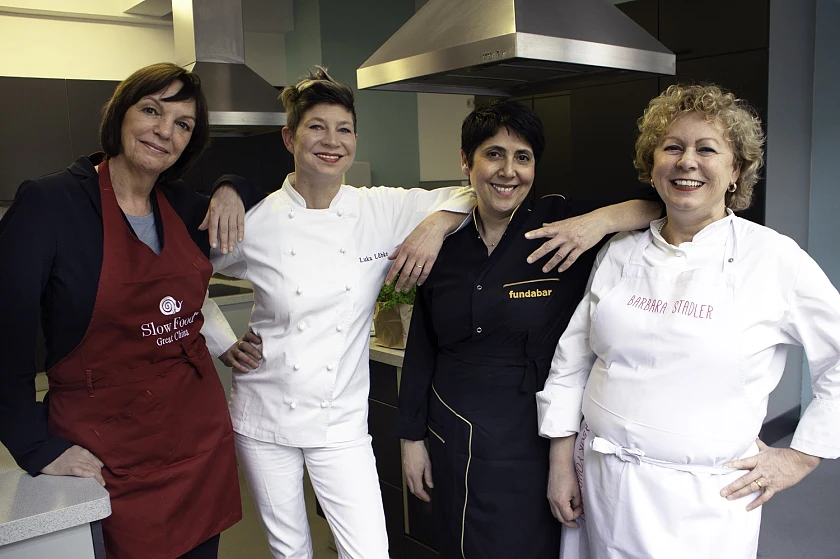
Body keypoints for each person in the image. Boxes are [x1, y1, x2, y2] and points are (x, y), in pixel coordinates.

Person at [209, 68, 594, 559]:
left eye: (344, 129)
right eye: (316, 127)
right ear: (290, 137)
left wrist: (435, 225)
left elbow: (469, 191)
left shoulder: (381, 208)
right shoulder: (257, 220)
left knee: (369, 551)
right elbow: (178, 275)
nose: (332, 141)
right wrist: (221, 340)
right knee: (290, 550)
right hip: (263, 414)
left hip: (340, 419)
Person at [537, 84, 840, 558]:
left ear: (735, 170)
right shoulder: (621, 252)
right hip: (600, 480)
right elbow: (574, 358)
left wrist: (800, 458)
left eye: (706, 149)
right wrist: (561, 459)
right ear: (652, 165)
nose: (686, 162)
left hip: (704, 504)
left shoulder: (774, 259)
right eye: (672, 147)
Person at [0, 62, 263, 559]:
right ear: (120, 113)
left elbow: (265, 196)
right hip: (106, 453)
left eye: (183, 124)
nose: (165, 131)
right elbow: (4, 335)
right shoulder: (50, 206)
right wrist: (33, 446)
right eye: (151, 110)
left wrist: (232, 185)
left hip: (196, 447)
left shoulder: (185, 206)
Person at [395, 99, 662, 559]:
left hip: (536, 430)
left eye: (523, 157)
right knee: (461, 544)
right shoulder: (443, 242)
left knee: (535, 544)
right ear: (466, 161)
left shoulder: (559, 223)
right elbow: (422, 346)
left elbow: (659, 206)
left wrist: (595, 224)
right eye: (493, 154)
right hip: (452, 426)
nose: (508, 171)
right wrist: (410, 437)